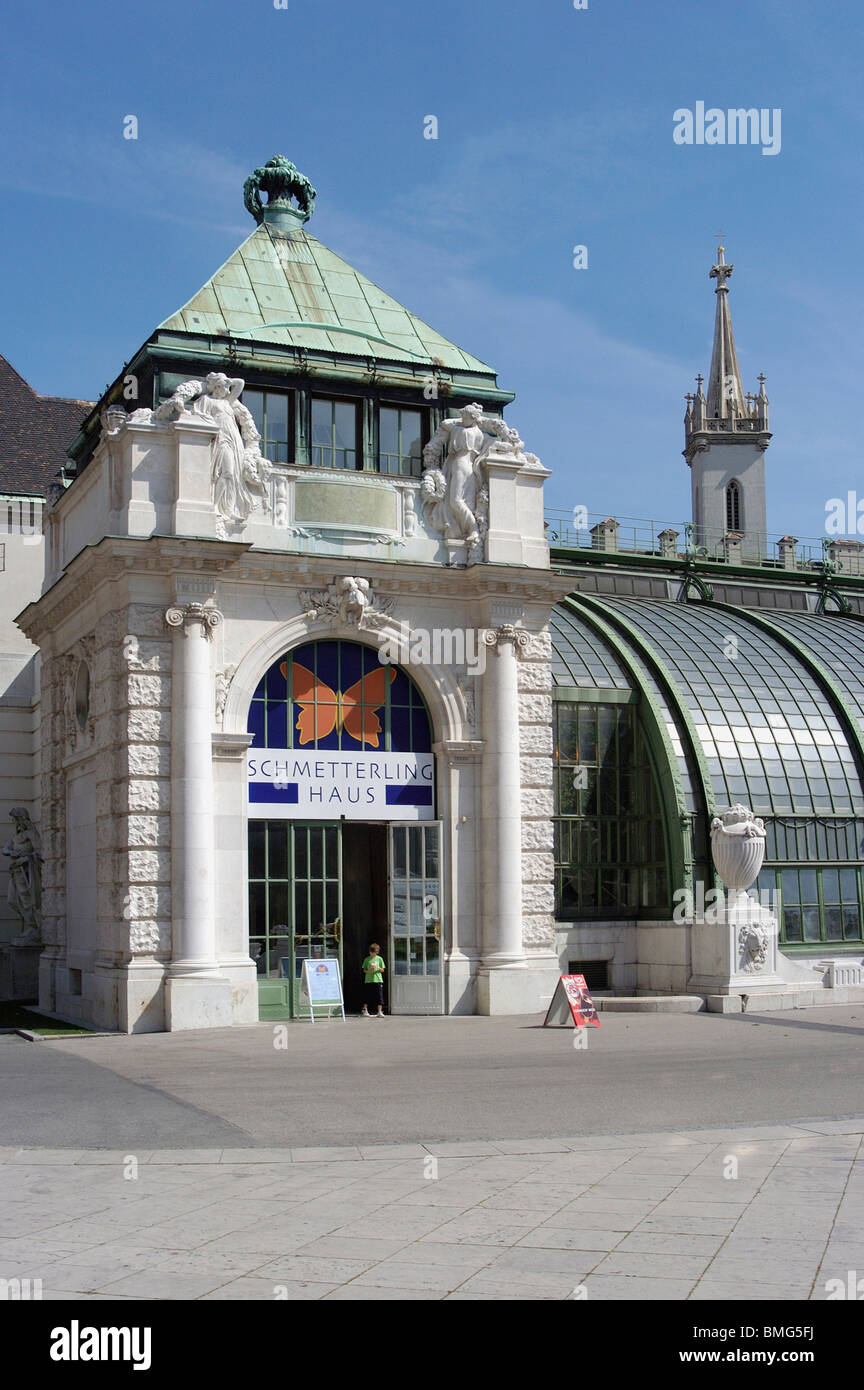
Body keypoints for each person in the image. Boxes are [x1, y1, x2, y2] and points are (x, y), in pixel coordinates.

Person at [360, 943, 386, 1017]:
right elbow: (364, 970)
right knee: (367, 995)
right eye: (372, 952)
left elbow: (383, 970)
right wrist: (369, 971)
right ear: (370, 952)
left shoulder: (379, 959)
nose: (373, 954)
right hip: (368, 980)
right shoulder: (367, 959)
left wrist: (378, 968)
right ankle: (365, 1010)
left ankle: (380, 1011)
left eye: (375, 953)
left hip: (378, 979)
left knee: (379, 996)